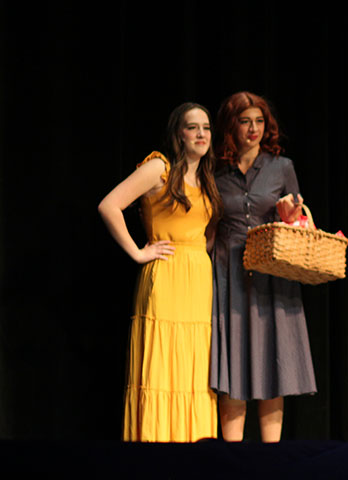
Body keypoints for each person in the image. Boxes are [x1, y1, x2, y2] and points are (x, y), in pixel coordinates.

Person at [98, 102, 223, 442]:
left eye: (207, 128)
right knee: (161, 361)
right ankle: (155, 450)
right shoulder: (159, 168)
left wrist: (200, 254)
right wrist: (139, 252)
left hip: (197, 281)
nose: (201, 134)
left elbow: (206, 233)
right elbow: (109, 205)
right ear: (178, 135)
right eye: (193, 127)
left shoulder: (207, 178)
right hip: (166, 276)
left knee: (193, 367)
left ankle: (193, 449)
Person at [209, 91, 317, 443]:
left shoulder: (281, 166)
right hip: (228, 274)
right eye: (244, 121)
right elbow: (206, 224)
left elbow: (301, 224)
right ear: (231, 126)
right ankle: (232, 455)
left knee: (275, 359)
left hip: (273, 275)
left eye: (259, 121)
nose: (253, 128)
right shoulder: (216, 169)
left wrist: (290, 215)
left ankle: (272, 457)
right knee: (233, 362)